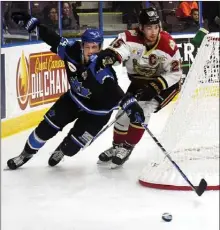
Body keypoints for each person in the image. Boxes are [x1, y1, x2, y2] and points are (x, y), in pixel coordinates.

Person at [7, 12, 145, 170]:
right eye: (87, 47)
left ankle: (62, 149)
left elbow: (113, 89)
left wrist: (130, 104)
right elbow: (52, 37)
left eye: (95, 47)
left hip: (97, 113)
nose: (91, 51)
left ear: (100, 47)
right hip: (73, 100)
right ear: (82, 45)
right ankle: (24, 155)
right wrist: (31, 23)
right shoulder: (71, 50)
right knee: (44, 129)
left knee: (71, 148)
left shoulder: (102, 69)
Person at [95, 7, 182, 168]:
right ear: (141, 28)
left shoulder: (168, 44)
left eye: (156, 27)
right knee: (123, 113)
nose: (153, 31)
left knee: (144, 111)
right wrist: (111, 55)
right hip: (139, 82)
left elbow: (176, 74)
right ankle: (117, 147)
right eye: (149, 27)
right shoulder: (129, 38)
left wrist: (156, 86)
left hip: (165, 85)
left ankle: (127, 147)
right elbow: (118, 50)